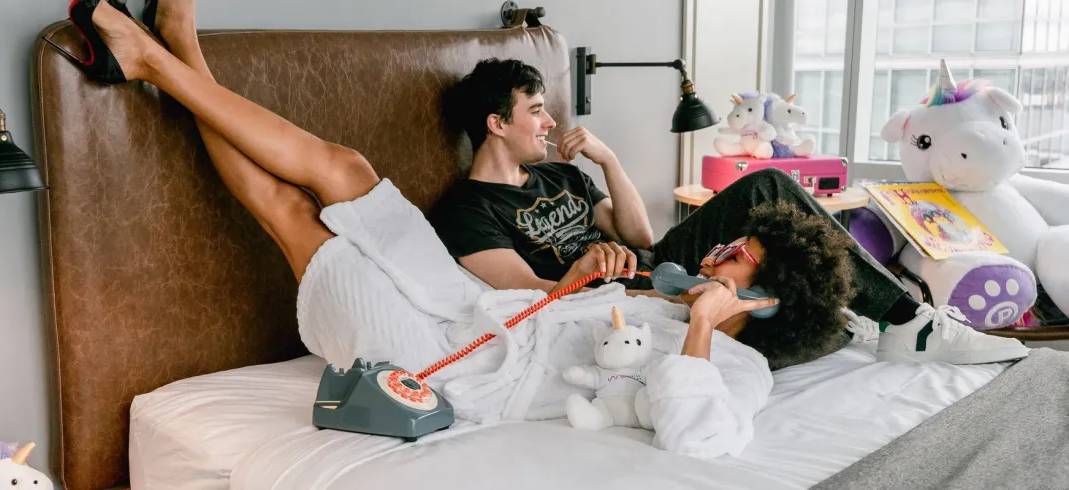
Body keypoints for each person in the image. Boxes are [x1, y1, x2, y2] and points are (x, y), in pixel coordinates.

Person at [60, 0, 1025, 457]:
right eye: (732, 244)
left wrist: (690, 318)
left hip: (461, 365)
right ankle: (177, 59)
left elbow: (697, 438)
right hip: (470, 299)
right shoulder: (498, 220)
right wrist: (598, 283)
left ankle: (166, 61)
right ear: (497, 123)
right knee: (345, 170)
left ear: (762, 299)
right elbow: (536, 298)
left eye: (738, 259)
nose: (720, 249)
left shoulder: (731, 367)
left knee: (286, 216)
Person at [429, 58, 1030, 370]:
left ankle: (903, 319)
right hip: (603, 295)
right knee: (816, 314)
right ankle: (893, 326)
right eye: (536, 110)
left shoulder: (559, 174)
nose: (550, 121)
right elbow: (528, 297)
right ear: (497, 123)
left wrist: (608, 159)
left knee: (767, 188)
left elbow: (640, 234)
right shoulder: (465, 210)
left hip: (654, 262)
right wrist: (582, 268)